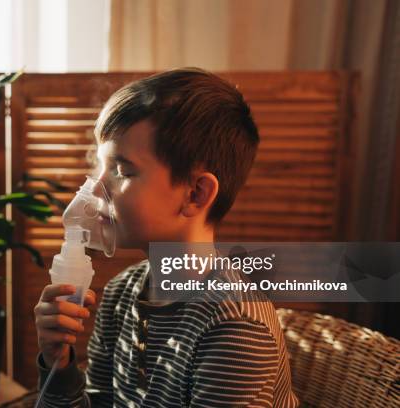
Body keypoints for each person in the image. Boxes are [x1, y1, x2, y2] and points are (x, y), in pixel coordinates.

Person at [33, 68, 300, 407]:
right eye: (99, 167)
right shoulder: (119, 295)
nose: (96, 189)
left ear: (195, 194)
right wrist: (60, 361)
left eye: (122, 170)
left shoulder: (233, 330)